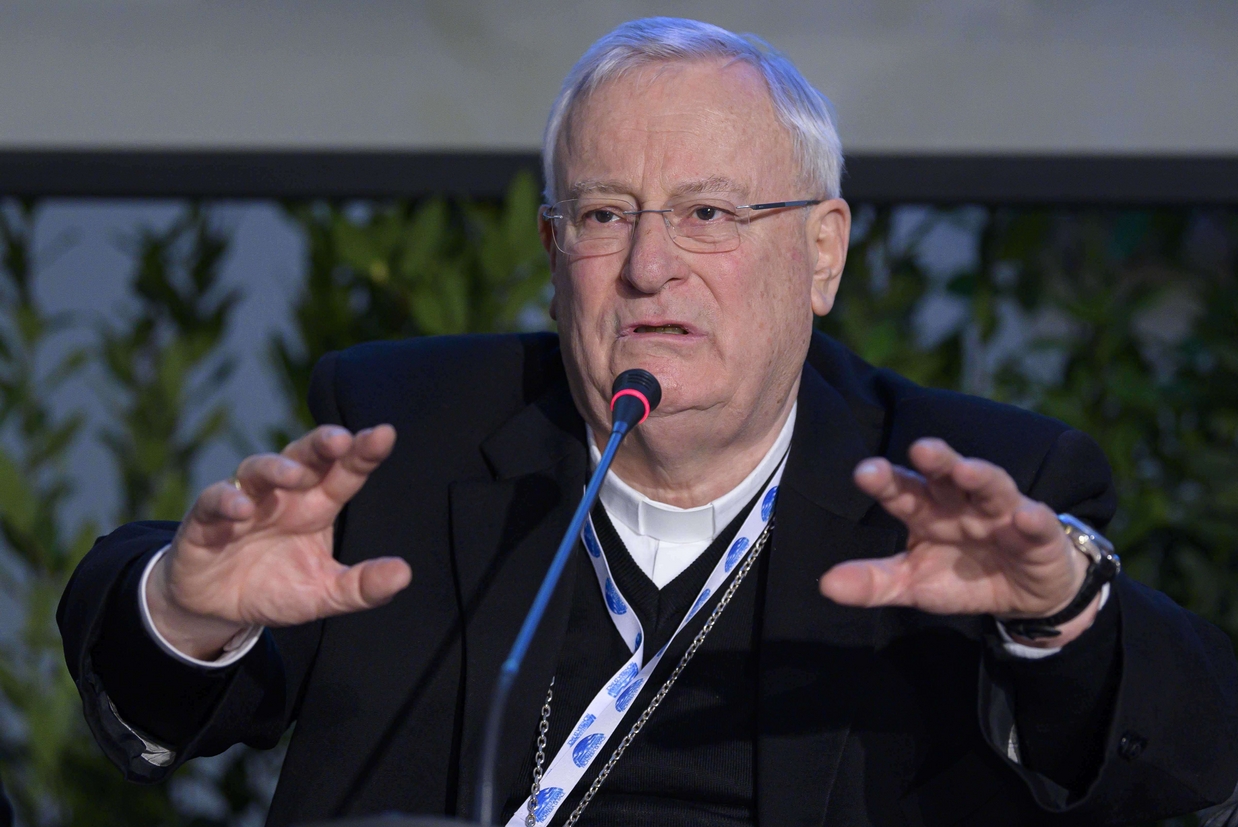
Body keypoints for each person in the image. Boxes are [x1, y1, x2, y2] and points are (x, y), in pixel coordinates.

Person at [59, 17, 1238, 827]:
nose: (648, 266)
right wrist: (182, 609)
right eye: (603, 213)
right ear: (551, 248)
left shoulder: (969, 484)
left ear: (819, 251)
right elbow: (160, 707)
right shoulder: (406, 440)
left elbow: (1186, 767)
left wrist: (1058, 619)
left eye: (710, 212)